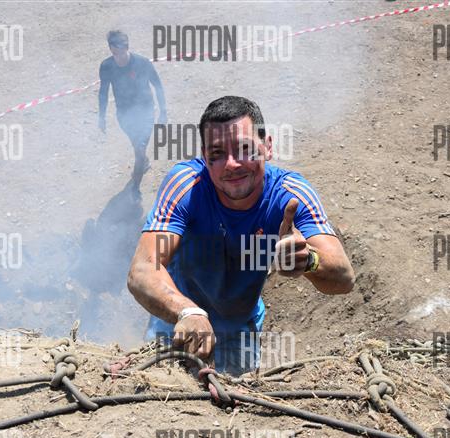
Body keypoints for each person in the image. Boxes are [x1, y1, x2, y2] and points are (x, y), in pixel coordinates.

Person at [127, 96, 355, 375]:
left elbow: (344, 277)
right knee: (159, 390)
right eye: (217, 153)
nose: (231, 164)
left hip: (239, 329)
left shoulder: (290, 196)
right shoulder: (187, 186)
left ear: (267, 146)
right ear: (204, 156)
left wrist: (309, 261)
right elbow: (143, 269)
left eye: (244, 149)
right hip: (177, 318)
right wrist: (187, 311)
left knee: (236, 397)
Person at [98, 30, 167, 183]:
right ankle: (143, 161)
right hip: (124, 114)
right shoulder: (106, 66)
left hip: (146, 111)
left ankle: (136, 182)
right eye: (115, 54)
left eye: (121, 53)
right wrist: (101, 117)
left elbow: (157, 85)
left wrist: (163, 112)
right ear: (111, 50)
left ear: (127, 47)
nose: (119, 57)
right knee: (137, 144)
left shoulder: (142, 63)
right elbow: (103, 92)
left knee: (140, 146)